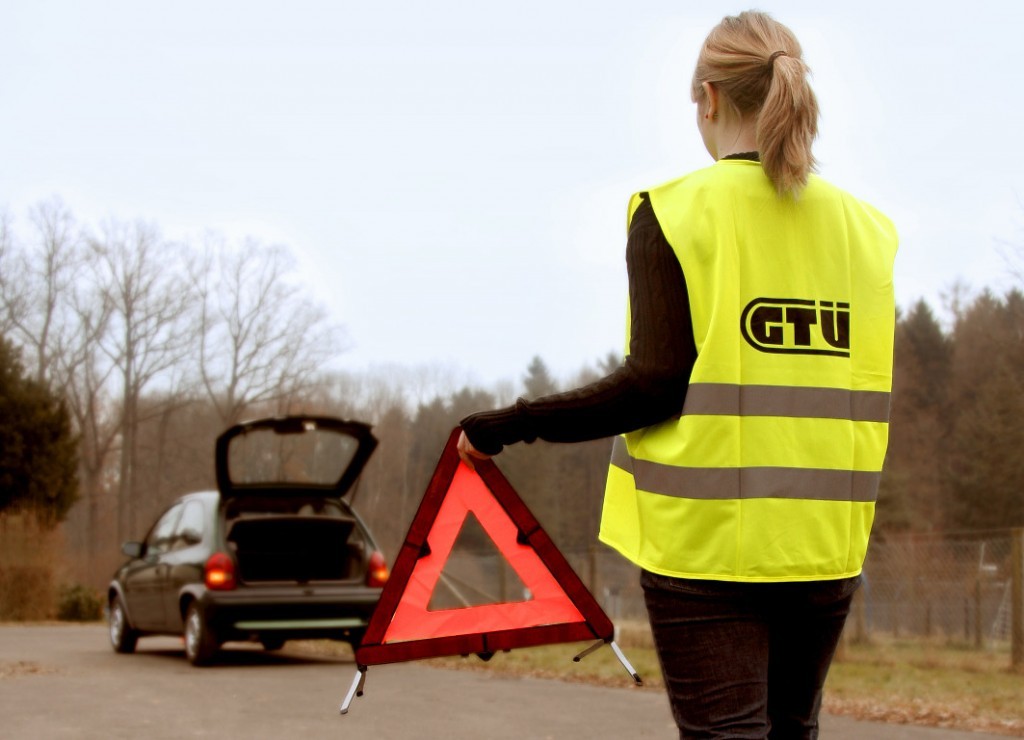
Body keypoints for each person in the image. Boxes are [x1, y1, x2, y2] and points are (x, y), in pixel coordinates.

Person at [457, 10, 897, 739]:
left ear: (709, 98)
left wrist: (507, 425)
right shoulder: (869, 231)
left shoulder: (672, 212)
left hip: (707, 547)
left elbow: (652, 386)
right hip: (824, 547)